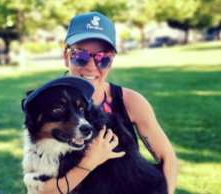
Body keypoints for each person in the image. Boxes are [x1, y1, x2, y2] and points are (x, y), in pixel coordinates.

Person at [38, 12, 178, 194]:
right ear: (67, 57)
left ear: (111, 62)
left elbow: (168, 160)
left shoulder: (130, 102)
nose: (91, 66)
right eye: (80, 55)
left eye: (103, 58)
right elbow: (42, 190)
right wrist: (90, 162)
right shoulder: (48, 108)